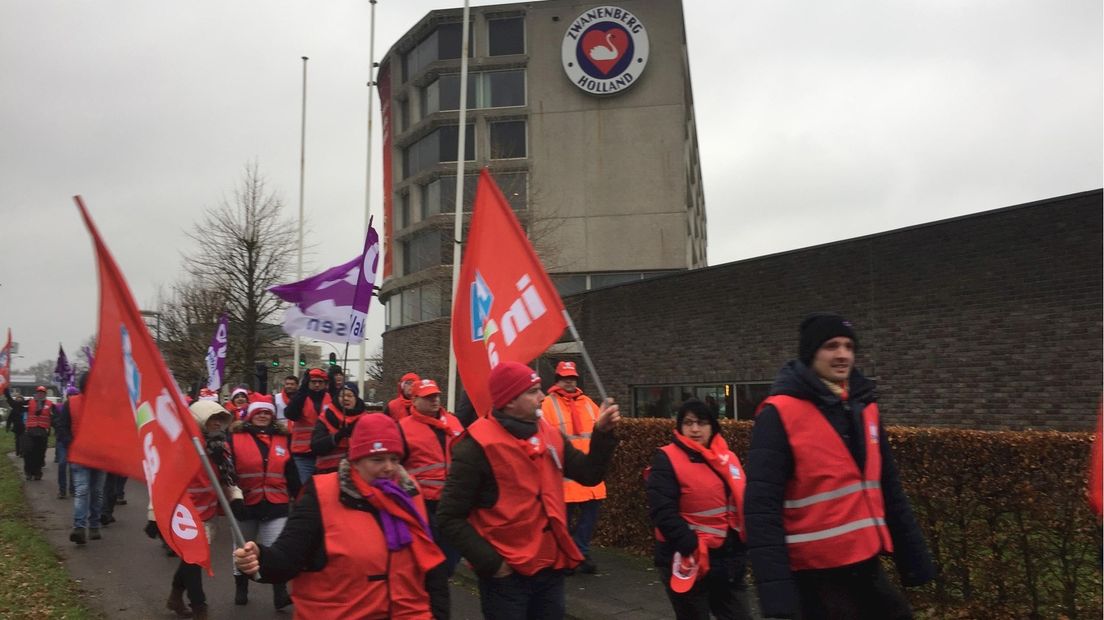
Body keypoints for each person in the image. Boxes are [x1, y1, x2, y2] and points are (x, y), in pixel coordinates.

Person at [745, 313, 935, 620]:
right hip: (815, 576)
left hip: (866, 563)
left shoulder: (864, 407)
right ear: (811, 354)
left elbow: (889, 487)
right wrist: (777, 595)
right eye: (831, 346)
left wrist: (915, 560)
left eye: (849, 346)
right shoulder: (779, 414)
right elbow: (761, 510)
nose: (843, 354)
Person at [437, 361, 621, 620]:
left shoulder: (550, 435)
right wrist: (494, 565)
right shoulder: (475, 447)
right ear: (510, 400)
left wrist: (602, 434)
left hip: (550, 567)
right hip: (506, 577)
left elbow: (588, 475)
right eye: (533, 391)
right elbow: (449, 517)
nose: (542, 396)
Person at [232, 414, 445, 618]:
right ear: (356, 460)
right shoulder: (322, 495)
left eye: (394, 458)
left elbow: (433, 569)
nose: (388, 468)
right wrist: (259, 558)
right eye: (377, 459)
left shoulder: (410, 495)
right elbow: (288, 558)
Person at [647, 399, 753, 620]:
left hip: (728, 561)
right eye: (688, 423)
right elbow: (662, 511)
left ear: (713, 426)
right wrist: (691, 545)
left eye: (702, 422)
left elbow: (742, 503)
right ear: (680, 427)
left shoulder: (728, 458)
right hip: (688, 558)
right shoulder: (667, 459)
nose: (695, 429)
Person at [156, 399, 238, 620]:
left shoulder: (222, 445)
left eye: (220, 418)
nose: (217, 423)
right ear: (200, 421)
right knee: (194, 560)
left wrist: (236, 498)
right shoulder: (184, 446)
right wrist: (153, 515)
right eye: (212, 418)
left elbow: (228, 476)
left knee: (191, 560)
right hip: (186, 514)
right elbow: (164, 479)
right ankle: (200, 607)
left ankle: (175, 596)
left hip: (210, 512)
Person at [399, 378, 464, 618]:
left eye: (436, 395)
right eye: (428, 397)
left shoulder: (454, 422)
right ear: (414, 400)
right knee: (433, 561)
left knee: (449, 557)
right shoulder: (403, 428)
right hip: (423, 505)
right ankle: (428, 599)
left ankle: (431, 588)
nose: (435, 399)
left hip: (453, 502)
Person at [227, 396, 299, 609]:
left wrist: (302, 498)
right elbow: (227, 473)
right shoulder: (234, 438)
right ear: (250, 414)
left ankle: (280, 593)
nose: (263, 415)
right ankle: (241, 588)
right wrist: (233, 497)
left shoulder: (284, 439)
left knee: (277, 550)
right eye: (258, 412)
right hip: (245, 504)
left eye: (267, 412)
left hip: (277, 504)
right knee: (242, 549)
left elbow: (291, 472)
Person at [540, 361, 606, 574]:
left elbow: (600, 432)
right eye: (565, 378)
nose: (569, 382)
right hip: (564, 477)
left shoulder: (588, 403)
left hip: (588, 476)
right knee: (563, 522)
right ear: (557, 379)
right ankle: (568, 554)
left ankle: (579, 552)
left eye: (572, 378)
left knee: (589, 520)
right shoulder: (547, 404)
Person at [65, 376, 106, 545]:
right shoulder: (71, 403)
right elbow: (63, 426)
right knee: (82, 491)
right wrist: (71, 444)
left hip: (100, 456)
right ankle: (80, 528)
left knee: (96, 492)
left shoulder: (105, 405)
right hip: (80, 456)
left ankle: (94, 525)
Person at [284, 368, 336, 483]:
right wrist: (302, 390)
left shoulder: (330, 398)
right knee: (306, 489)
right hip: (303, 454)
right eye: (313, 382)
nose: (317, 385)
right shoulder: (301, 398)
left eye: (320, 382)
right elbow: (291, 414)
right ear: (308, 383)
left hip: (326, 452)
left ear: (325, 384)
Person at [311, 383, 369, 474]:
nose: (346, 398)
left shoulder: (365, 420)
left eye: (350, 396)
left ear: (356, 399)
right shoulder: (326, 417)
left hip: (355, 473)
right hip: (327, 472)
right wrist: (338, 436)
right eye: (342, 395)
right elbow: (316, 447)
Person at [23, 386, 56, 481]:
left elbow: (55, 417)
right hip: (30, 431)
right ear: (36, 393)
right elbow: (16, 406)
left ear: (45, 394)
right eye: (39, 392)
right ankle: (29, 472)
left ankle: (37, 473)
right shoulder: (29, 402)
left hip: (42, 433)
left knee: (40, 454)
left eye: (42, 392)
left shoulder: (50, 404)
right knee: (28, 454)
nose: (40, 394)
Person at [53, 386, 79, 499]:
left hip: (74, 442)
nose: (72, 398)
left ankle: (73, 489)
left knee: (73, 467)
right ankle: (62, 490)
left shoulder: (78, 407)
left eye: (74, 395)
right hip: (62, 441)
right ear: (67, 396)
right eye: (70, 395)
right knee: (62, 464)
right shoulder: (60, 407)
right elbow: (57, 423)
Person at [4, 388, 26, 456]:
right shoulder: (14, 410)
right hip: (17, 427)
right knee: (17, 440)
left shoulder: (24, 409)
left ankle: (22, 452)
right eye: (18, 399)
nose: (19, 400)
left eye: (20, 399)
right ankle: (18, 451)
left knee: (22, 440)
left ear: (22, 401)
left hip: (24, 427)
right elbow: (9, 419)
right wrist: (8, 427)